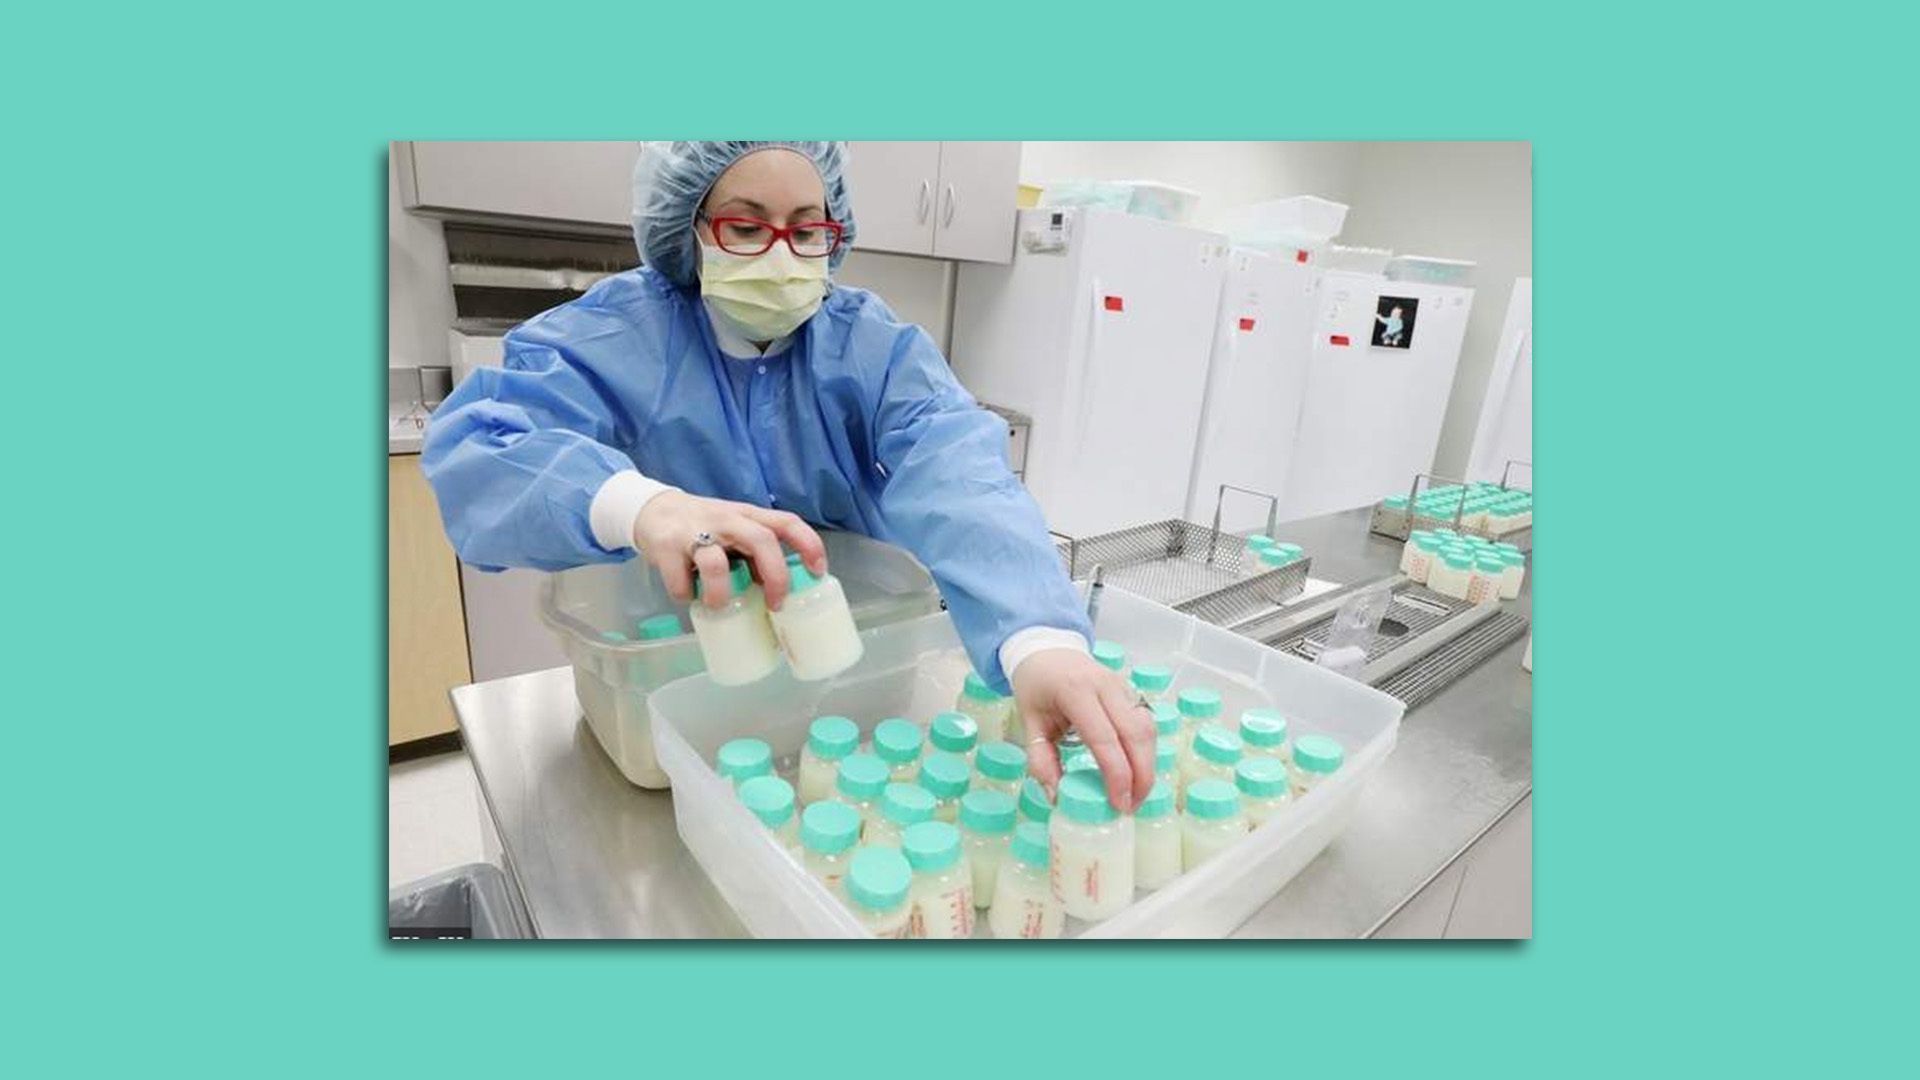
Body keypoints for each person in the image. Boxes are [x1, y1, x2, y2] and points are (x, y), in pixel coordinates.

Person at [422, 141, 1153, 810]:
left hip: (857, 690)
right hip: (682, 690)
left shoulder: (870, 344)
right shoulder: (621, 335)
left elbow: (959, 468)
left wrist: (1039, 642)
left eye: (807, 230)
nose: (784, 254)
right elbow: (479, 448)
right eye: (746, 226)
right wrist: (641, 506)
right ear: (691, 228)